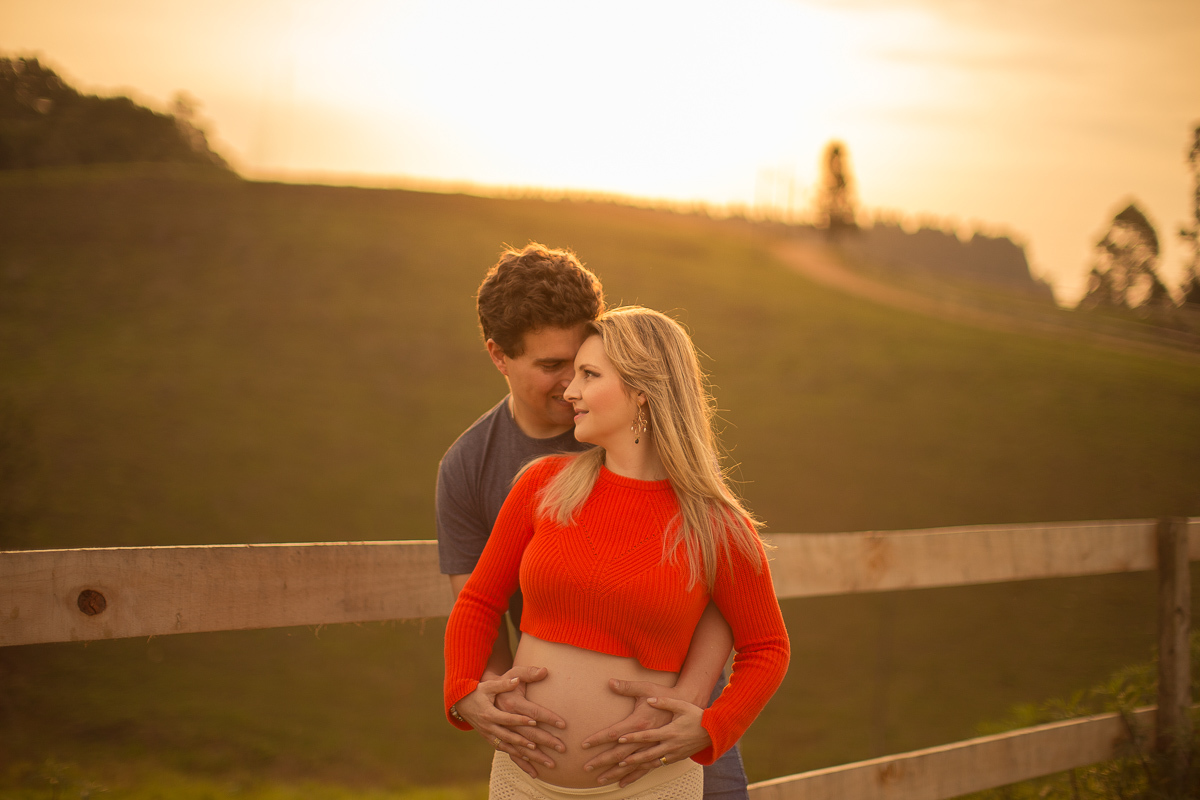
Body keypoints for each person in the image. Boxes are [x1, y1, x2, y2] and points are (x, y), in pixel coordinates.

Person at [435, 244, 753, 797]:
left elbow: (721, 582)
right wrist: (488, 698)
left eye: (583, 362)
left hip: (673, 722)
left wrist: (692, 702)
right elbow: (479, 602)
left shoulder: (634, 426)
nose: (570, 386)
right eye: (551, 366)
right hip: (545, 755)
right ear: (499, 356)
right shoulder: (470, 467)